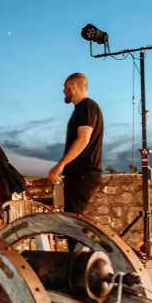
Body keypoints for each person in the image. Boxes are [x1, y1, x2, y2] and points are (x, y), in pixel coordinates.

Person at [48, 72, 104, 217]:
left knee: (72, 225)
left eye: (65, 87)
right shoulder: (83, 108)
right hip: (79, 174)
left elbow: (83, 139)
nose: (63, 91)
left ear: (73, 87)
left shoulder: (87, 107)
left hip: (83, 174)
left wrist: (60, 165)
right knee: (73, 223)